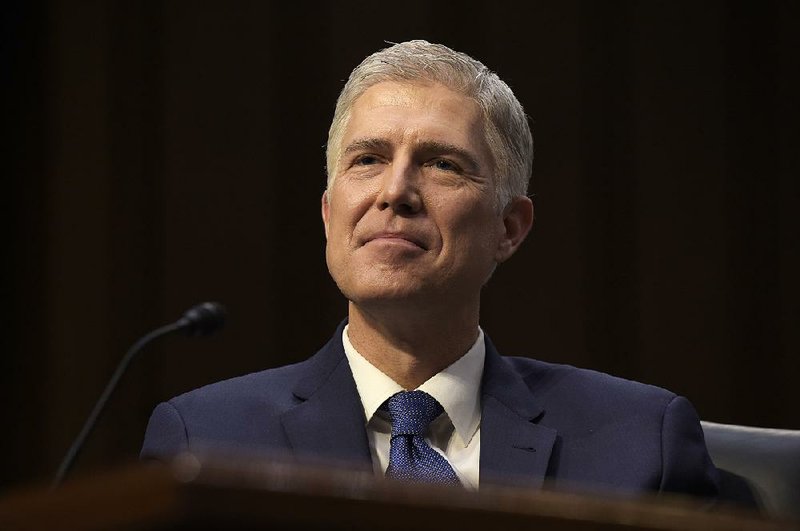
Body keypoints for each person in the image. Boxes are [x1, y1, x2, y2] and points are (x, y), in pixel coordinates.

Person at [141, 40, 719, 498]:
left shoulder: (641, 442)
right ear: (328, 214)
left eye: (442, 165)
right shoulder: (205, 444)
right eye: (367, 160)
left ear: (509, 228)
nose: (394, 193)